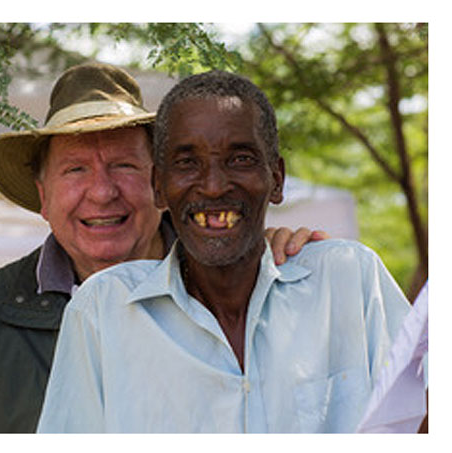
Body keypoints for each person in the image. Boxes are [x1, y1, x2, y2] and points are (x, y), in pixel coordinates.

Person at [0, 63, 325, 433]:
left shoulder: (239, 283)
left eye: (123, 165)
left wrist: (258, 260)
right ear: (43, 196)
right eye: (75, 170)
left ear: (160, 183)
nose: (102, 192)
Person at [36, 70, 412, 433]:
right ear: (159, 188)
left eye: (241, 159)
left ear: (276, 179)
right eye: (187, 163)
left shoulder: (347, 278)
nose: (214, 186)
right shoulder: (102, 311)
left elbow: (423, 418)